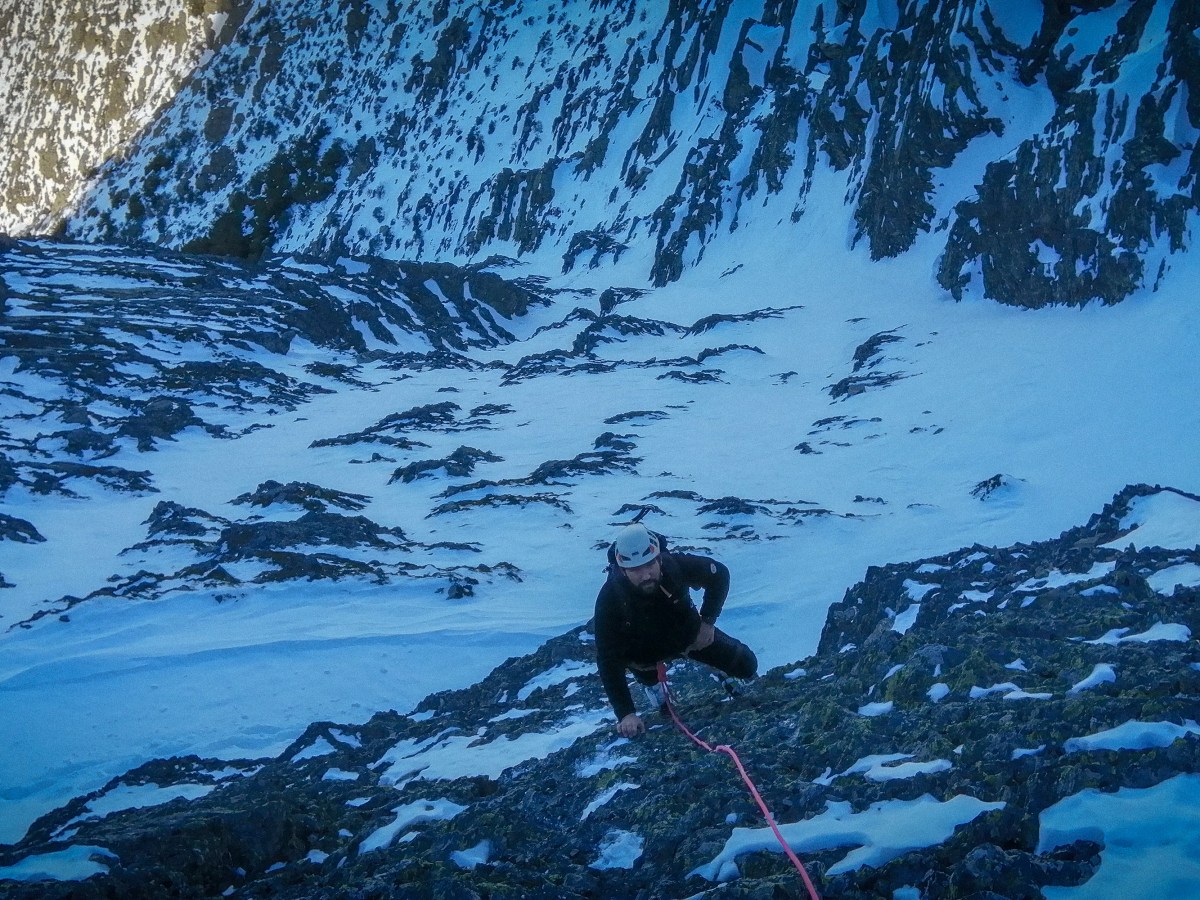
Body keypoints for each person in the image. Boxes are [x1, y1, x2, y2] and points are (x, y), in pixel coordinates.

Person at [593, 522, 758, 737]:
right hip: (643, 654)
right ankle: (651, 684)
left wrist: (707, 622)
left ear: (659, 558)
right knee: (661, 703)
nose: (645, 575)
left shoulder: (675, 566)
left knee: (747, 664)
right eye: (635, 569)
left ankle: (722, 671)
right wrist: (626, 713)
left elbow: (719, 574)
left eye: (649, 565)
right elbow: (607, 659)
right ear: (623, 570)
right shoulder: (610, 598)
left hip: (688, 636)